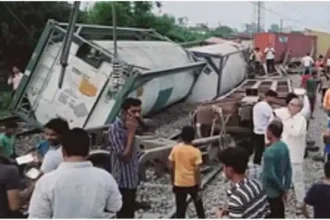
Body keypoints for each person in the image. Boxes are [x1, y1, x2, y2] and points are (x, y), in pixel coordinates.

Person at [28, 128, 122, 218]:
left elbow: (37, 216)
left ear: (63, 151)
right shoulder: (105, 177)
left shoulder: (46, 182)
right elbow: (115, 206)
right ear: (88, 151)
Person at [108, 98, 142, 218]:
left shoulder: (132, 125)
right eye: (133, 112)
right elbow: (124, 157)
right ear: (124, 112)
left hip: (132, 179)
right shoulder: (115, 129)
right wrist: (131, 134)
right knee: (124, 214)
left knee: (130, 213)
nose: (137, 115)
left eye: (139, 111)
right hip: (122, 181)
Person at [215, 147, 269, 218]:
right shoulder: (256, 184)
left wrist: (219, 217)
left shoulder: (236, 198)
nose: (223, 169)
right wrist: (232, 210)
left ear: (230, 170)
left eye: (224, 166)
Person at [168, 126, 205, 218]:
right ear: (193, 137)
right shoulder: (196, 152)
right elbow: (197, 170)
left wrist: (173, 181)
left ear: (182, 136)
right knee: (199, 206)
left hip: (179, 183)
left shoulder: (175, 149)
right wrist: (199, 187)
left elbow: (171, 167)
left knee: (180, 208)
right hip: (192, 183)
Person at [280, 98, 307, 210]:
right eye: (289, 104)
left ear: (298, 107)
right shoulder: (287, 119)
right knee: (283, 177)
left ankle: (301, 200)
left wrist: (285, 125)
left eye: (292, 105)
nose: (289, 107)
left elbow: (296, 133)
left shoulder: (301, 120)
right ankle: (284, 196)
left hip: (295, 155)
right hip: (286, 153)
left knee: (297, 179)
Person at [262, 121, 292, 218]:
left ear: (270, 133)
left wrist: (282, 189)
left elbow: (270, 175)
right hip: (279, 191)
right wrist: (286, 187)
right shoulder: (284, 146)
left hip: (270, 192)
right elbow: (289, 169)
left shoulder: (269, 152)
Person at [252, 90, 278, 165]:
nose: (274, 100)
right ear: (268, 97)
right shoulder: (266, 107)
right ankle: (260, 166)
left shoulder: (257, 105)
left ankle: (256, 166)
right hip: (264, 132)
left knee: (257, 151)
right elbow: (272, 119)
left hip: (256, 130)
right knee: (263, 151)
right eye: (273, 98)